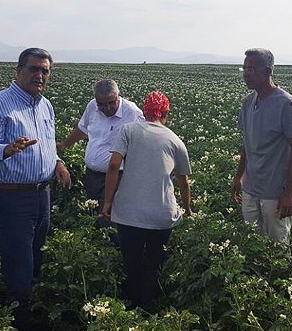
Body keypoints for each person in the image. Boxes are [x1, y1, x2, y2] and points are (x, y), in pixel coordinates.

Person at [0, 47, 72, 327]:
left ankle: (30, 317)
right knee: (19, 270)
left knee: (36, 261)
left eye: (45, 71)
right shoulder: (0, 103)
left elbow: (48, 145)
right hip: (11, 199)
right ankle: (18, 321)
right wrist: (6, 149)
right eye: (33, 69)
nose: (39, 75)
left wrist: (59, 163)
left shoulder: (45, 105)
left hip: (42, 196)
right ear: (18, 71)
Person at [101, 92, 192, 310]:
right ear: (166, 113)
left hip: (128, 212)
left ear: (144, 112)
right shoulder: (174, 140)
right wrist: (187, 209)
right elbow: (184, 182)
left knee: (131, 260)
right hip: (161, 214)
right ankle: (149, 306)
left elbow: (114, 165)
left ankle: (130, 306)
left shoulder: (129, 130)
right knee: (154, 262)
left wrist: (107, 201)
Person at [231, 48, 292, 243]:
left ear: (268, 71)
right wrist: (239, 177)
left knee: (278, 243)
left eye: (252, 69)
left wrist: (289, 193)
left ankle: (280, 275)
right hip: (251, 188)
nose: (246, 74)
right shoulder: (247, 103)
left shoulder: (286, 104)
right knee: (251, 242)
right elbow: (247, 143)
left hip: (275, 192)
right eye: (244, 68)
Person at [57, 79, 144, 219]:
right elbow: (82, 129)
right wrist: (63, 144)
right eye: (102, 104)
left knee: (108, 218)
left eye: (111, 102)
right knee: (93, 215)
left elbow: (141, 147)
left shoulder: (133, 113)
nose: (107, 108)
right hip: (92, 176)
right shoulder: (92, 106)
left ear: (118, 95)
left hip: (117, 178)